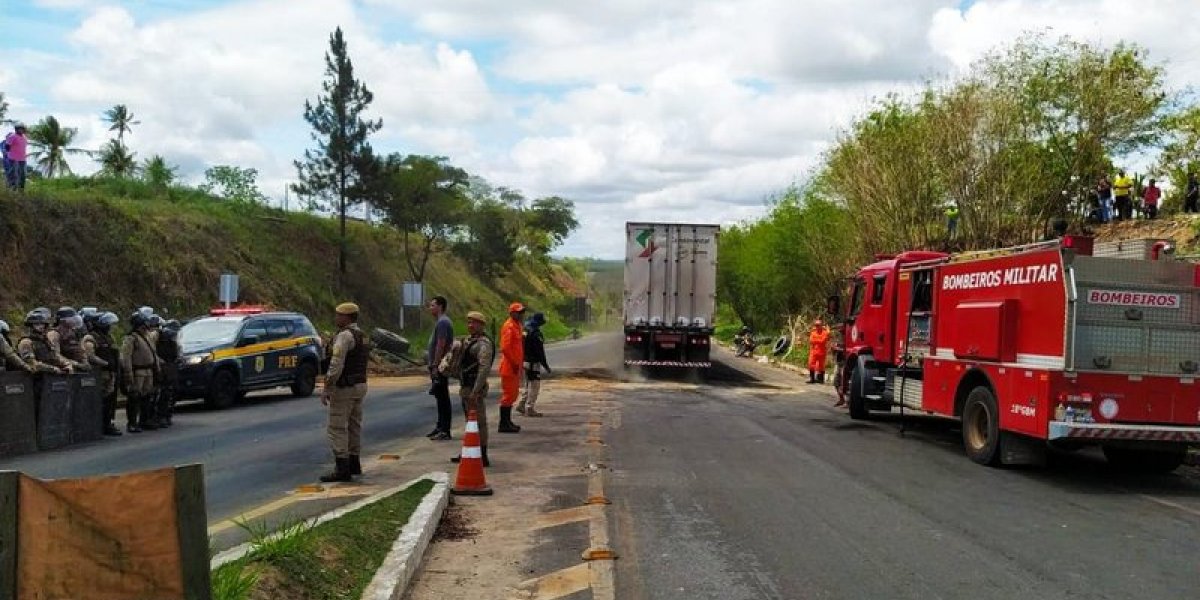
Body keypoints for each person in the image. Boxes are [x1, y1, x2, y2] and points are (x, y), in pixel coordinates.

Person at [320, 302, 369, 483]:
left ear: (346, 317)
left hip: (344, 387)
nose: (336, 318)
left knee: (337, 427)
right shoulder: (362, 335)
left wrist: (327, 386)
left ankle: (342, 468)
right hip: (360, 385)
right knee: (354, 425)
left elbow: (336, 364)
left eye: (339, 315)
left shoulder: (344, 336)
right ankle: (354, 463)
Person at [452, 311, 494, 467]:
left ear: (481, 325)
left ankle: (482, 454)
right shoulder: (469, 341)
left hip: (474, 388)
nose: (470, 325)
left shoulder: (483, 344)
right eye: (469, 322)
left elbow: (484, 368)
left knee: (479, 422)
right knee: (469, 423)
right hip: (466, 386)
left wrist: (476, 391)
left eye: (474, 322)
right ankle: (469, 451)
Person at [83, 312, 122, 436]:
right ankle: (98, 425)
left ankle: (107, 423)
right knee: (99, 400)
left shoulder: (108, 337)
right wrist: (105, 363)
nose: (110, 326)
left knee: (109, 400)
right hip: (99, 374)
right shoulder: (90, 338)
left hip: (110, 374)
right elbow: (90, 356)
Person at [120, 312, 158, 433]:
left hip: (148, 370)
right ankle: (132, 423)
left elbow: (153, 353)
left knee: (147, 396)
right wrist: (128, 373)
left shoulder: (146, 336)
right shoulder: (131, 338)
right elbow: (126, 357)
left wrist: (157, 368)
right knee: (134, 397)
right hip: (138, 371)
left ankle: (144, 420)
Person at [425, 296, 454, 441]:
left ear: (440, 306)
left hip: (441, 366)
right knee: (439, 396)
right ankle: (440, 426)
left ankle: (445, 429)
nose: (430, 308)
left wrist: (435, 364)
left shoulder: (443, 322)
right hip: (439, 365)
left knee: (443, 397)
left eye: (433, 305)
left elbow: (441, 344)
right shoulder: (441, 322)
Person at [497, 302, 525, 434]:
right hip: (509, 367)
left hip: (515, 366)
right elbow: (505, 348)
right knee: (508, 395)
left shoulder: (517, 325)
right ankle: (503, 423)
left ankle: (507, 421)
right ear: (512, 313)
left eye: (522, 312)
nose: (521, 314)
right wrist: (514, 363)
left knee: (513, 394)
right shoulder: (509, 326)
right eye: (518, 312)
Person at [516, 312, 551, 417]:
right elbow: (540, 352)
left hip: (524, 361)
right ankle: (530, 408)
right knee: (535, 386)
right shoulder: (536, 334)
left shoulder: (525, 330)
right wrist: (546, 365)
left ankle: (521, 404)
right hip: (533, 363)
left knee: (527, 384)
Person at [17, 309, 70, 375]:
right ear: (31, 326)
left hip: (51, 375)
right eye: (37, 324)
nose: (41, 326)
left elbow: (55, 356)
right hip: (36, 377)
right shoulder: (26, 342)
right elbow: (33, 364)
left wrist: (67, 364)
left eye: (42, 324)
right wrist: (52, 369)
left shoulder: (45, 341)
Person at [47, 307, 89, 373]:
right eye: (72, 319)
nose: (74, 321)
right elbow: (56, 355)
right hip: (64, 370)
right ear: (62, 321)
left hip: (78, 369)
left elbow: (80, 349)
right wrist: (75, 364)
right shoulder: (54, 334)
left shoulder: (73, 332)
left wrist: (85, 361)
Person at [155, 320, 181, 428]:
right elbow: (154, 354)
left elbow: (176, 354)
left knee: (173, 392)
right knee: (163, 393)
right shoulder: (158, 340)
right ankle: (160, 416)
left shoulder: (173, 342)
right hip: (162, 369)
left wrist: (178, 359)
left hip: (171, 369)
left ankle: (167, 414)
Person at [4, 123, 28, 191]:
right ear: (16, 129)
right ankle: (12, 188)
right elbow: (7, 146)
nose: (21, 130)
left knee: (23, 174)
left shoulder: (25, 137)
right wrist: (10, 153)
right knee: (13, 173)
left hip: (22, 159)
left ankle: (21, 188)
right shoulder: (12, 136)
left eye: (22, 129)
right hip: (13, 158)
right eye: (19, 129)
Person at [807, 319, 830, 385]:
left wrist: (816, 340)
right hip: (814, 352)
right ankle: (812, 379)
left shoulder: (825, 332)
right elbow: (811, 341)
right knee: (811, 364)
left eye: (818, 325)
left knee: (821, 366)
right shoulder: (813, 333)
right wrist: (819, 340)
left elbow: (823, 341)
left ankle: (821, 379)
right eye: (816, 325)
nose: (816, 326)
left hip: (822, 352)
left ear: (821, 325)